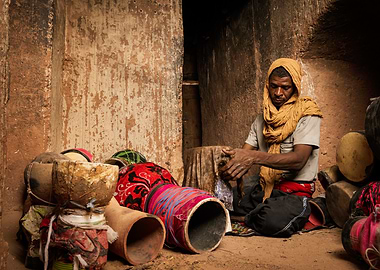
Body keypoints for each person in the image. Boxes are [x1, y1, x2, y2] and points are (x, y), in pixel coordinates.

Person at [219, 58, 323, 236]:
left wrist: (254, 158)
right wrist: (229, 163)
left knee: (271, 220)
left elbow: (298, 160)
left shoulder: (307, 114)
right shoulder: (262, 119)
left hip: (294, 193)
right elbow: (244, 153)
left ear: (295, 87)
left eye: (286, 87)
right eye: (274, 86)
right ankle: (251, 214)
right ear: (268, 86)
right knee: (221, 200)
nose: (278, 93)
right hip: (265, 188)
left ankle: (244, 218)